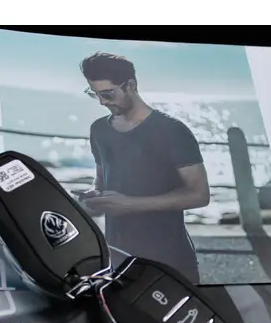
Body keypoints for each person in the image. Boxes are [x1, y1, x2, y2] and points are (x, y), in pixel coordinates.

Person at [77, 52, 210, 283]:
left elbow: (199, 195)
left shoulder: (172, 131)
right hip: (117, 258)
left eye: (107, 94)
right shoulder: (98, 129)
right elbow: (102, 178)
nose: (102, 102)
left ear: (131, 85)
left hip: (169, 260)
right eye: (95, 94)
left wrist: (130, 204)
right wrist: (95, 193)